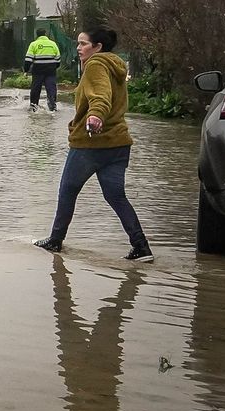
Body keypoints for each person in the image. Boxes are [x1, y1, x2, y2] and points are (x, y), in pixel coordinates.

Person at [35, 28, 153, 262]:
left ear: (98, 47)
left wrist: (95, 115)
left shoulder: (96, 64)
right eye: (78, 44)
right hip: (118, 143)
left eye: (83, 44)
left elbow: (101, 94)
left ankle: (56, 241)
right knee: (116, 196)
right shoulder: (116, 65)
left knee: (67, 191)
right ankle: (141, 247)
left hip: (91, 143)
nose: (78, 48)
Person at [24, 29, 62, 113]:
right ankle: (52, 107)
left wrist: (26, 70)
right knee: (51, 88)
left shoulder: (33, 44)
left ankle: (34, 107)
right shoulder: (53, 44)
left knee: (36, 88)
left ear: (37, 35)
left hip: (38, 71)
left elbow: (28, 59)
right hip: (50, 71)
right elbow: (58, 59)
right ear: (45, 34)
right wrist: (53, 67)